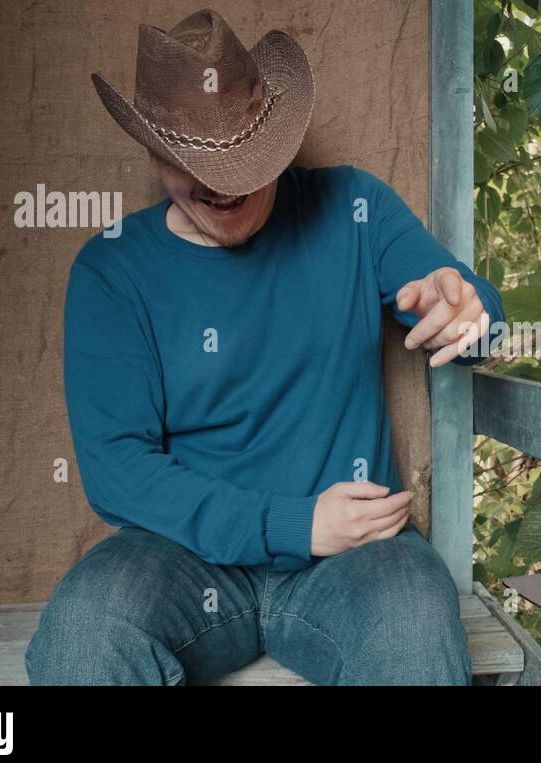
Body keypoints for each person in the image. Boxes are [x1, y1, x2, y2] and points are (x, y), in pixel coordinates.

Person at [25, 8, 504, 686]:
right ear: (155, 153)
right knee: (83, 632)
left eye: (242, 165)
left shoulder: (354, 208)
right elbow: (118, 470)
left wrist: (474, 316)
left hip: (359, 558)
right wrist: (295, 522)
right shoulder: (111, 271)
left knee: (414, 629)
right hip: (183, 556)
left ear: (279, 140)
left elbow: (463, 306)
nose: (222, 189)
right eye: (196, 166)